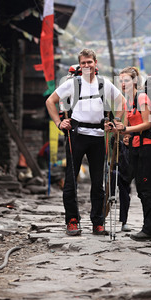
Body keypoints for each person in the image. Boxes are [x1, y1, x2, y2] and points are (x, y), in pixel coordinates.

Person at [45, 48, 124, 237]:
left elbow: (121, 102)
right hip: (76, 135)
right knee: (71, 181)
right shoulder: (72, 84)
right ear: (79, 65)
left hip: (98, 137)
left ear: (96, 63)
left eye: (90, 62)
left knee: (98, 183)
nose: (87, 65)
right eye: (83, 63)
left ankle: (98, 222)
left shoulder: (104, 84)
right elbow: (50, 101)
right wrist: (58, 122)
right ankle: (72, 221)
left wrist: (114, 122)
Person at [113, 67, 151, 242]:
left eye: (126, 80)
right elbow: (125, 127)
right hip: (135, 148)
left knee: (147, 188)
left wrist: (127, 129)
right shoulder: (127, 102)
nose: (122, 83)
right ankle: (148, 228)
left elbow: (147, 123)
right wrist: (121, 132)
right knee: (140, 188)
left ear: (134, 81)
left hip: (147, 147)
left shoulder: (142, 97)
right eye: (120, 80)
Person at [110, 133, 132, 232]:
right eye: (125, 137)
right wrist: (115, 133)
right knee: (115, 174)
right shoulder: (121, 146)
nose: (126, 138)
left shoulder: (134, 150)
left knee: (125, 199)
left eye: (129, 137)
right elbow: (114, 143)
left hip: (127, 178)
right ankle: (112, 194)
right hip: (117, 173)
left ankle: (124, 222)